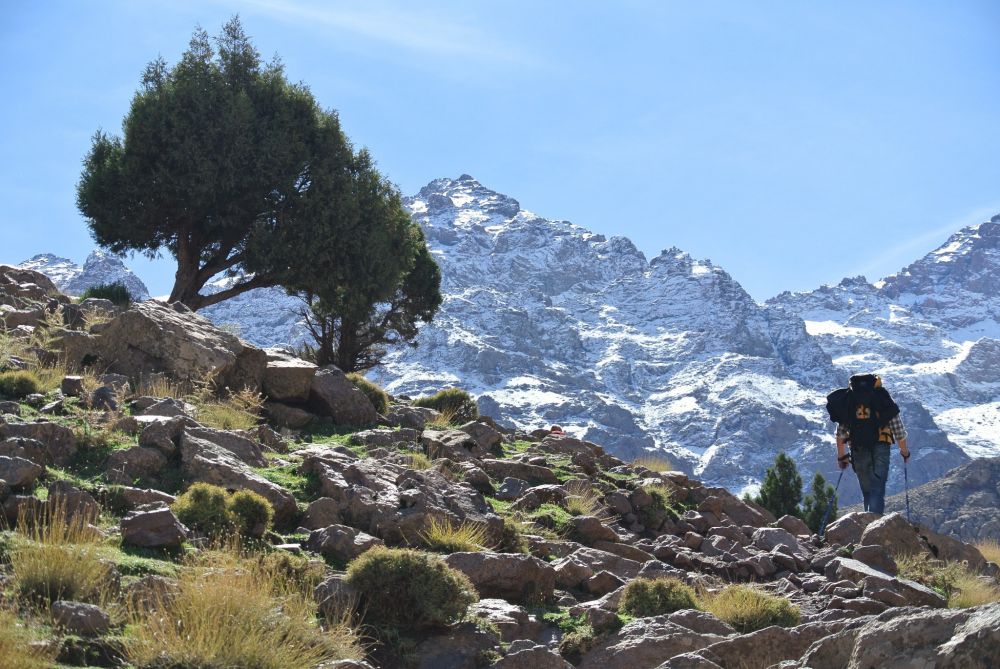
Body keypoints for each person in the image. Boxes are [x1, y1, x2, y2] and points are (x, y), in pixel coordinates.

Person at [834, 374, 910, 514]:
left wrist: (841, 457)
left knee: (867, 491)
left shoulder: (850, 400)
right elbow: (898, 431)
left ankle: (868, 524)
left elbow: (840, 434)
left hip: (857, 449)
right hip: (881, 447)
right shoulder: (882, 397)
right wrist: (905, 452)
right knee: (877, 489)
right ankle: (874, 527)